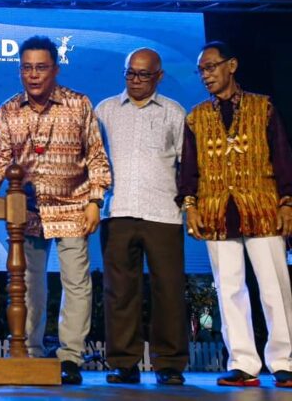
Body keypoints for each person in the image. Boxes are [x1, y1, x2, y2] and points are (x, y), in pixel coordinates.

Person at [0, 35, 111, 385]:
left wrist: (96, 201)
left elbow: (97, 157)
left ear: (55, 68)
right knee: (27, 285)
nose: (33, 75)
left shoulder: (78, 104)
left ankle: (70, 358)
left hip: (74, 206)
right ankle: (29, 353)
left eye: (40, 67)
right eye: (26, 68)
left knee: (76, 283)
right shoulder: (9, 110)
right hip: (28, 212)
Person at [178, 41, 292, 388]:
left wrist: (287, 202)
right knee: (228, 290)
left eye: (211, 67)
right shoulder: (196, 116)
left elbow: (282, 156)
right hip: (216, 210)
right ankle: (243, 363)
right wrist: (190, 206)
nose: (205, 75)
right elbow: (189, 169)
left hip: (262, 207)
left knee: (274, 288)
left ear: (232, 65)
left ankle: (284, 362)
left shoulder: (263, 107)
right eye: (201, 70)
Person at [95, 48, 188, 386]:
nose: (135, 80)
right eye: (130, 73)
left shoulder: (174, 112)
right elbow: (93, 161)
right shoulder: (104, 110)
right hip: (117, 211)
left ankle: (170, 364)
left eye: (143, 74)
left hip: (164, 213)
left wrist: (188, 204)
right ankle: (124, 363)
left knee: (169, 291)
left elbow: (187, 164)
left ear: (159, 76)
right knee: (119, 292)